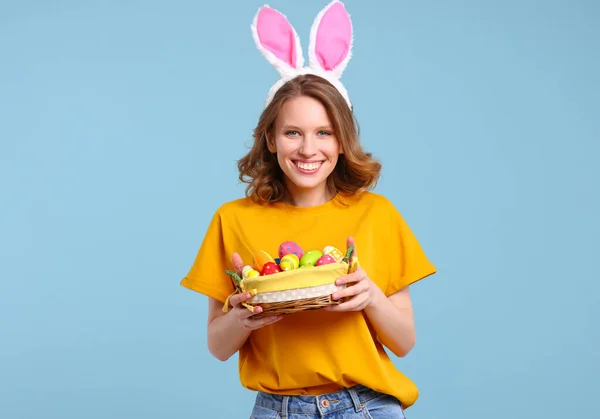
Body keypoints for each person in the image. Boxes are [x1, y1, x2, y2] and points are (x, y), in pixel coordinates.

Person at [180, 2, 436, 418]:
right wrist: (242, 317)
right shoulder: (233, 219)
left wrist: (369, 295)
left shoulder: (378, 214)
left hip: (365, 406)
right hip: (276, 409)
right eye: (292, 132)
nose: (307, 149)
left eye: (324, 133)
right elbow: (217, 347)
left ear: (341, 141)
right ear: (270, 139)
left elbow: (405, 342)